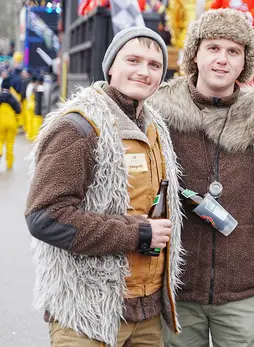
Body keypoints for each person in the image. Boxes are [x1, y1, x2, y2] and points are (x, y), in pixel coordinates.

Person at [24, 27, 184, 347]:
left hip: (147, 315)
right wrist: (138, 233)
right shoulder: (78, 126)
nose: (144, 71)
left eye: (154, 65)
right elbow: (45, 217)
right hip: (87, 316)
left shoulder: (156, 128)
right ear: (110, 66)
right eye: (133, 60)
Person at [152, 8, 254, 347]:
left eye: (233, 51)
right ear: (195, 54)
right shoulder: (157, 113)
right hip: (176, 287)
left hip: (241, 292)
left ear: (245, 61)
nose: (222, 59)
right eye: (213, 48)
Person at [0, 77, 22, 170]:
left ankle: (0, 152)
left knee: (0, 141)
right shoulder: (12, 98)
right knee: (10, 143)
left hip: (0, 123)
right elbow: (19, 110)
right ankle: (9, 164)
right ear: (9, 87)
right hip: (11, 123)